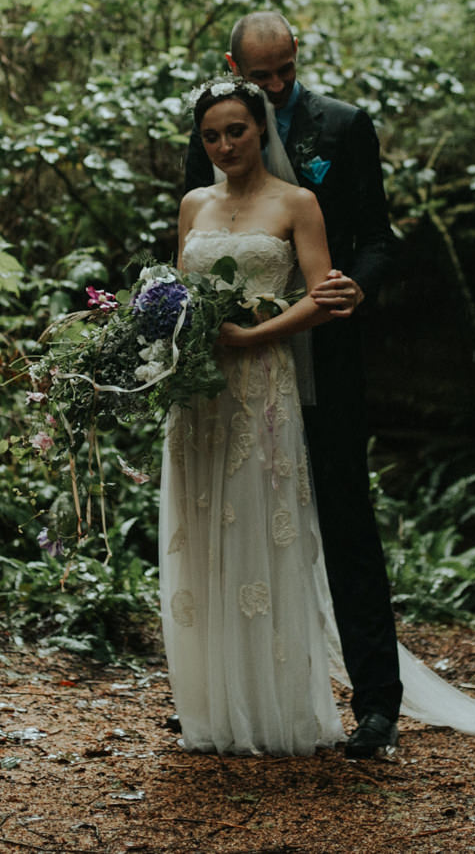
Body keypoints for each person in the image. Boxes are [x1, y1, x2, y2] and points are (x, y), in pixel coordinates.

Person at [182, 12, 475, 759]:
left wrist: (353, 290)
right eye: (261, 73)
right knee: (238, 523)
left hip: (324, 358)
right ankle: (237, 694)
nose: (276, 85)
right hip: (234, 376)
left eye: (285, 70)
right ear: (233, 66)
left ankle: (375, 704)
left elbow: (379, 237)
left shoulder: (344, 126)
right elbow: (202, 237)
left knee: (344, 521)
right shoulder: (218, 126)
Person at [161, 78, 344, 755]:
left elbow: (322, 296)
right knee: (206, 530)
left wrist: (252, 336)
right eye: (212, 135)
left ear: (261, 129)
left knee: (262, 530)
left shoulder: (297, 202)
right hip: (198, 391)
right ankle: (214, 706)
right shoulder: (192, 204)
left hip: (262, 384)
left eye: (236, 130)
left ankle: (274, 706)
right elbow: (177, 291)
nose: (225, 144)